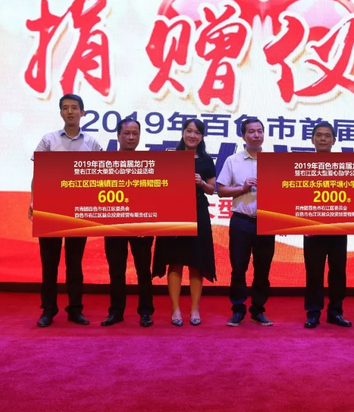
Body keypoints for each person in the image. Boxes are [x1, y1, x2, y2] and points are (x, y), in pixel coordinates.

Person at [29, 94, 103, 328]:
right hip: (50, 208)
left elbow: (101, 176)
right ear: (60, 112)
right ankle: (48, 310)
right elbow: (38, 175)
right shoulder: (48, 140)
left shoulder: (92, 144)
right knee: (49, 263)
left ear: (83, 112)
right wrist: (33, 201)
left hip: (79, 210)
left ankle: (75, 309)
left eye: (74, 108)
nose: (70, 112)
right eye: (65, 108)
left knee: (75, 263)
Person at [152, 119, 217, 326]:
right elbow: (160, 184)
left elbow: (212, 189)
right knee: (175, 260)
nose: (192, 135)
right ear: (183, 133)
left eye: (197, 132)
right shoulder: (171, 157)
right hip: (175, 211)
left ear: (202, 136)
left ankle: (195, 308)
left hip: (198, 212)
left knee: (197, 262)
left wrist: (201, 182)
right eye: (189, 131)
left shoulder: (206, 160)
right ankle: (175, 309)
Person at [217, 117, 275, 327]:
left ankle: (258, 310)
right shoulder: (233, 160)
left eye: (260, 131)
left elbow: (283, 192)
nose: (256, 135)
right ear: (243, 135)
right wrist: (242, 188)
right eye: (251, 131)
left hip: (266, 222)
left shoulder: (274, 161)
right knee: (238, 267)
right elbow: (221, 190)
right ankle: (238, 309)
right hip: (241, 221)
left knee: (263, 269)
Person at [100, 118, 155, 327]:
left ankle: (146, 311)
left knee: (143, 271)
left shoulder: (149, 164)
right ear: (118, 136)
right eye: (127, 133)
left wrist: (146, 223)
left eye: (135, 133)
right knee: (116, 270)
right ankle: (116, 312)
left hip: (142, 227)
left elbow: (155, 197)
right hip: (114, 225)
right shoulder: (106, 163)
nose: (131, 137)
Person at [303, 122, 352, 329]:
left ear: (334, 140)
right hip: (311, 229)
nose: (323, 139)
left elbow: (352, 195)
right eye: (319, 135)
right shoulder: (302, 166)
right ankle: (313, 313)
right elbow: (294, 196)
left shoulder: (344, 166)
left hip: (338, 227)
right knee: (314, 272)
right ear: (312, 139)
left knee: (338, 271)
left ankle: (335, 312)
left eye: (327, 135)